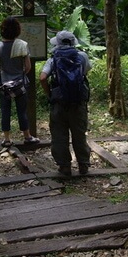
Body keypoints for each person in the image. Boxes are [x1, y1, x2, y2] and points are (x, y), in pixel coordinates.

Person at [0, 16, 40, 147]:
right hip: (20, 84)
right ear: (17, 31)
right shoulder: (22, 45)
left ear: (2, 30)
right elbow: (28, 67)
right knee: (21, 111)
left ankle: (6, 139)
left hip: (3, 84)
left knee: (5, 110)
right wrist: (20, 72)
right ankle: (27, 137)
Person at [39, 30, 92, 176]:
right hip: (78, 102)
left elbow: (43, 78)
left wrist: (50, 94)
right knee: (79, 134)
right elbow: (85, 72)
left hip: (59, 103)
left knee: (59, 135)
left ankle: (65, 166)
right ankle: (83, 165)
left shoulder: (53, 59)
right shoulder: (82, 56)